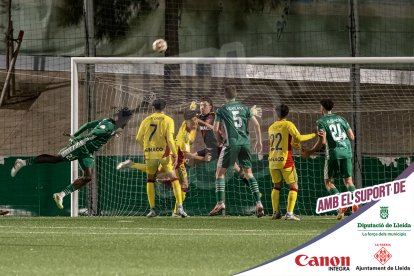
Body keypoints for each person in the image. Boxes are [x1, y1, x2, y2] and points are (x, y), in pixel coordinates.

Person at [10, 107, 133, 209]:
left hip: (88, 151)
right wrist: (111, 133)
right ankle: (23, 162)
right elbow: (96, 133)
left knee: (87, 177)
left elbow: (88, 124)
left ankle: (61, 195)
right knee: (55, 159)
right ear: (124, 118)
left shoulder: (108, 122)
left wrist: (75, 134)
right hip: (81, 146)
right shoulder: (110, 126)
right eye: (128, 119)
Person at [117, 109, 210, 217]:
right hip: (174, 157)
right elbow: (186, 154)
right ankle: (176, 211)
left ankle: (176, 211)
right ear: (190, 120)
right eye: (195, 119)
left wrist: (193, 108)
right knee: (176, 181)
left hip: (174, 156)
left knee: (167, 178)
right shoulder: (184, 136)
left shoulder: (188, 126)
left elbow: (191, 130)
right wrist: (203, 159)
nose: (196, 121)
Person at [209, 85, 264, 217]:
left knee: (220, 173)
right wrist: (259, 141)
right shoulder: (245, 108)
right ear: (236, 95)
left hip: (231, 143)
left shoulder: (221, 109)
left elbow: (215, 129)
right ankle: (258, 203)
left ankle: (220, 203)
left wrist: (219, 140)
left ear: (224, 95)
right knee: (249, 173)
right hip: (245, 143)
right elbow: (256, 124)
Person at [302, 99, 359, 220]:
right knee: (349, 181)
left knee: (328, 182)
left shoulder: (321, 122)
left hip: (333, 153)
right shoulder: (341, 119)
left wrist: (310, 151)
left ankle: (341, 204)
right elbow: (352, 137)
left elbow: (322, 142)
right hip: (347, 152)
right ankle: (355, 205)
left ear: (322, 107)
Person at [134, 99, 187, 218]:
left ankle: (152, 209)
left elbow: (138, 138)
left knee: (150, 180)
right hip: (164, 154)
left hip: (150, 154)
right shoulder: (168, 120)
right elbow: (169, 139)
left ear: (153, 108)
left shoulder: (146, 120)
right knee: (174, 178)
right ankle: (179, 207)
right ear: (164, 108)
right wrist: (175, 155)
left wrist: (146, 148)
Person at [268, 104, 318, 221]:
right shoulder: (288, 124)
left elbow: (291, 141)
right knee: (294, 186)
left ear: (276, 113)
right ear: (287, 113)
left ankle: (275, 212)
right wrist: (314, 134)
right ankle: (289, 213)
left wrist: (295, 144)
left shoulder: (271, 127)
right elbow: (298, 137)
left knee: (276, 186)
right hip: (285, 160)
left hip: (272, 160)